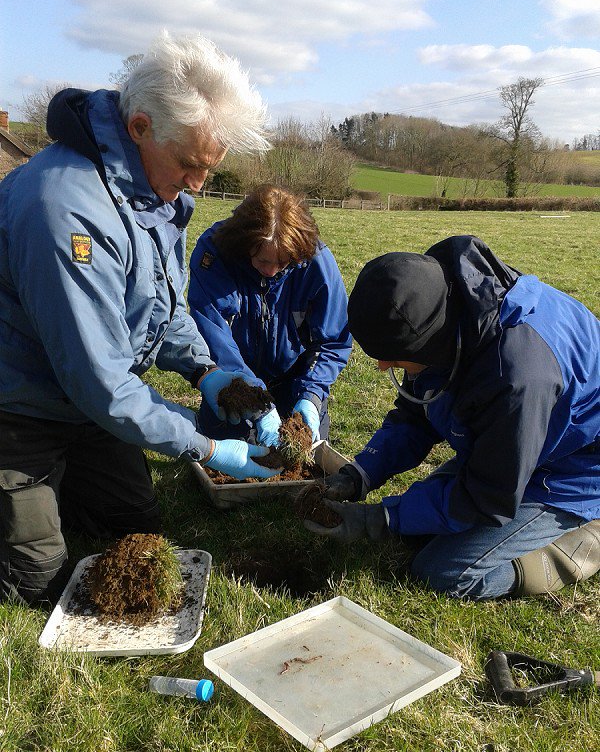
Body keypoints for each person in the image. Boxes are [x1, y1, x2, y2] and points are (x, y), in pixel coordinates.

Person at [0, 32, 283, 606]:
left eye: (210, 167)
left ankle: (63, 486)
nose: (198, 185)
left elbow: (163, 304)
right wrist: (206, 447)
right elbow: (100, 382)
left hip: (88, 403)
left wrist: (207, 372)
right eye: (190, 165)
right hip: (19, 407)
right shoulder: (66, 212)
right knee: (38, 581)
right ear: (139, 126)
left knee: (135, 523)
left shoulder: (153, 191)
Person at [301, 235, 599, 600]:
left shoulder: (517, 377)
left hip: (574, 469)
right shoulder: (439, 309)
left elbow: (487, 497)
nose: (381, 367)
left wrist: (378, 520)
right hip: (522, 440)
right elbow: (417, 411)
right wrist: (361, 473)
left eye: (391, 356)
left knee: (442, 571)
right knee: (421, 527)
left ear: (425, 341)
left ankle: (577, 546)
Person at [188, 184, 352, 447]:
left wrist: (311, 395)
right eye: (263, 261)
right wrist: (253, 397)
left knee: (301, 454)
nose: (272, 271)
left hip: (294, 379)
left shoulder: (316, 262)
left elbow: (334, 341)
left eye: (284, 263)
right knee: (223, 451)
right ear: (245, 243)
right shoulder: (214, 254)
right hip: (234, 378)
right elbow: (213, 334)